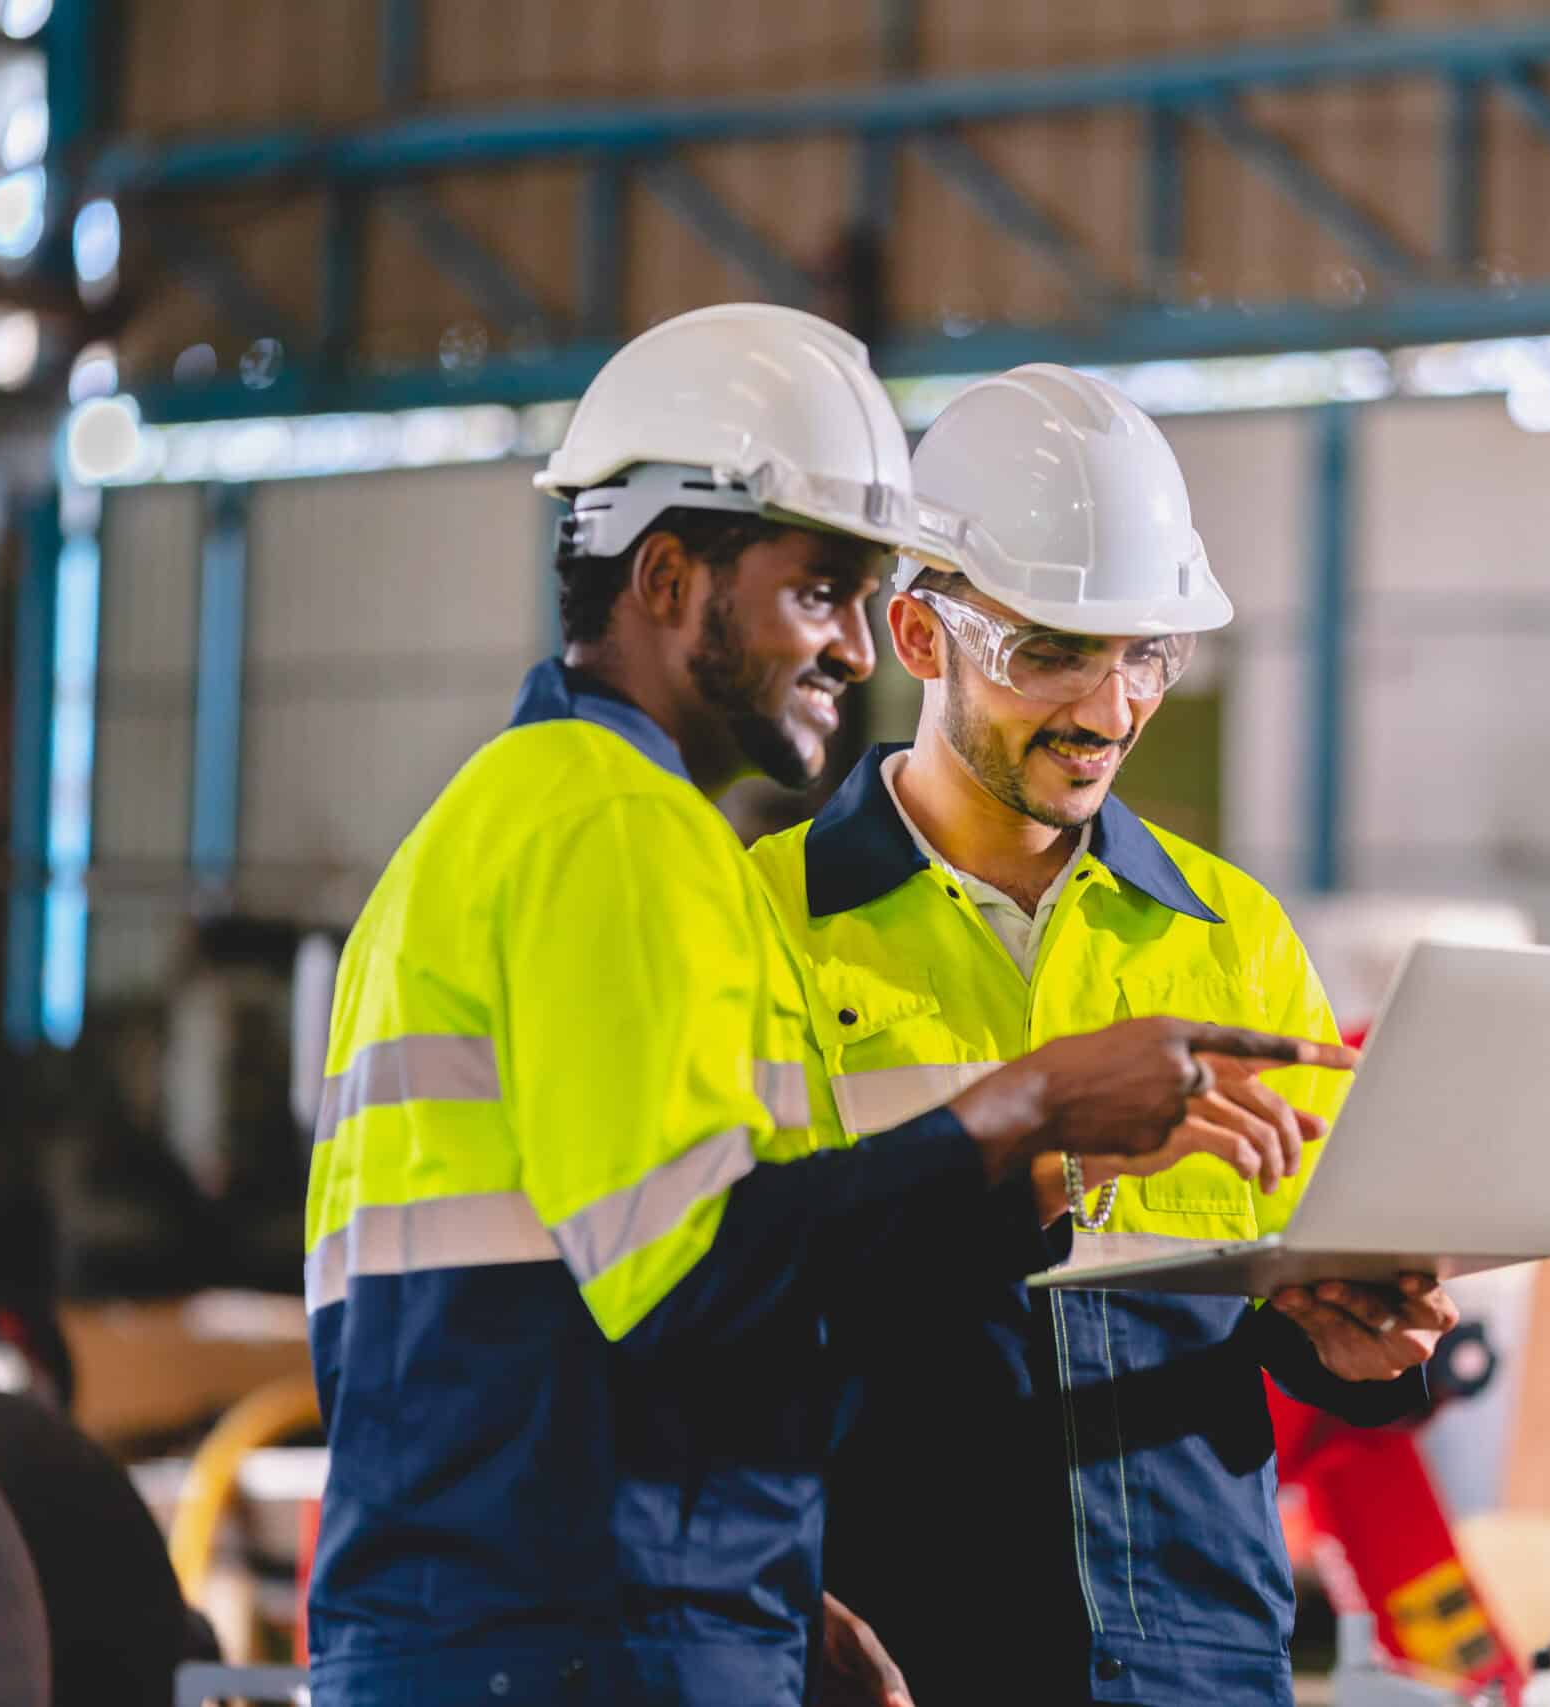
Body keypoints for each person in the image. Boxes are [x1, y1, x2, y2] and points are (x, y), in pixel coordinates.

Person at [304, 308, 1351, 1707]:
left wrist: (774, 1605)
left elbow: (675, 1291)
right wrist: (1031, 1115)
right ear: (670, 577)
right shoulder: (630, 838)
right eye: (820, 594)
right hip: (588, 1639)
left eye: (1147, 654)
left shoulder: (535, 819)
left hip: (603, 1623)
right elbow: (699, 1277)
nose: (853, 648)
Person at [749, 363, 1457, 1707]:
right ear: (916, 632)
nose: (1111, 710)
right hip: (896, 1657)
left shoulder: (1230, 934)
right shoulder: (763, 925)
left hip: (1194, 1661)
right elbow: (710, 1301)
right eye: (1052, 653)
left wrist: (1355, 1353)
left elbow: (1293, 1281)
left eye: (1147, 653)